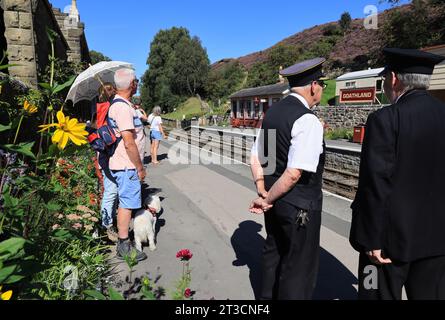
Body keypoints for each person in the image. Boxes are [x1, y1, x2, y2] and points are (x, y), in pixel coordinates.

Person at [349, 48, 445, 300]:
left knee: (376, 294)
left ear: (394, 79)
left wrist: (371, 239)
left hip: (388, 243)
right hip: (437, 241)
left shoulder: (385, 119)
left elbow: (375, 184)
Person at [249, 58, 327, 300]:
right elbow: (294, 173)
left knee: (274, 252)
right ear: (314, 85)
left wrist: (263, 191)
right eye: (322, 83)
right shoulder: (307, 119)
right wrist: (267, 199)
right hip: (299, 206)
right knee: (298, 268)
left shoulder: (273, 113)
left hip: (273, 201)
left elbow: (256, 158)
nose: (323, 89)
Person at [108, 68, 147, 262]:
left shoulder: (124, 105)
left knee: (127, 202)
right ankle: (124, 244)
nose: (137, 83)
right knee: (127, 204)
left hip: (124, 164)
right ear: (132, 84)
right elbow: (129, 141)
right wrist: (139, 167)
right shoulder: (122, 107)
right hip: (127, 165)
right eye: (137, 80)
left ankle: (124, 241)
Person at [95, 83, 120, 242]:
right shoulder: (106, 109)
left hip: (106, 155)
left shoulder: (101, 108)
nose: (116, 91)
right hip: (108, 156)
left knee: (113, 190)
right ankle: (107, 225)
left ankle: (110, 221)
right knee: (111, 191)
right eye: (112, 89)